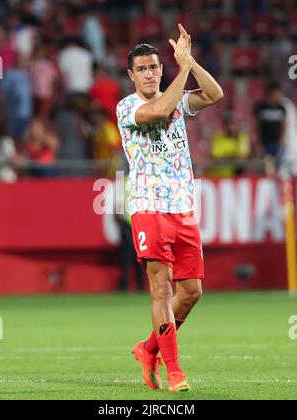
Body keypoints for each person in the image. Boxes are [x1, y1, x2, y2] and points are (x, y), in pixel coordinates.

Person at [116, 24, 223, 392]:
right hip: (149, 206)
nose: (149, 73)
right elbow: (160, 110)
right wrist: (181, 74)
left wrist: (189, 63)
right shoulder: (128, 107)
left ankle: (147, 350)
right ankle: (174, 369)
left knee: (191, 292)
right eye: (142, 69)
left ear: (160, 70)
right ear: (131, 75)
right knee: (160, 289)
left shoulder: (175, 94)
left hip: (183, 207)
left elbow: (215, 94)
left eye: (154, 67)